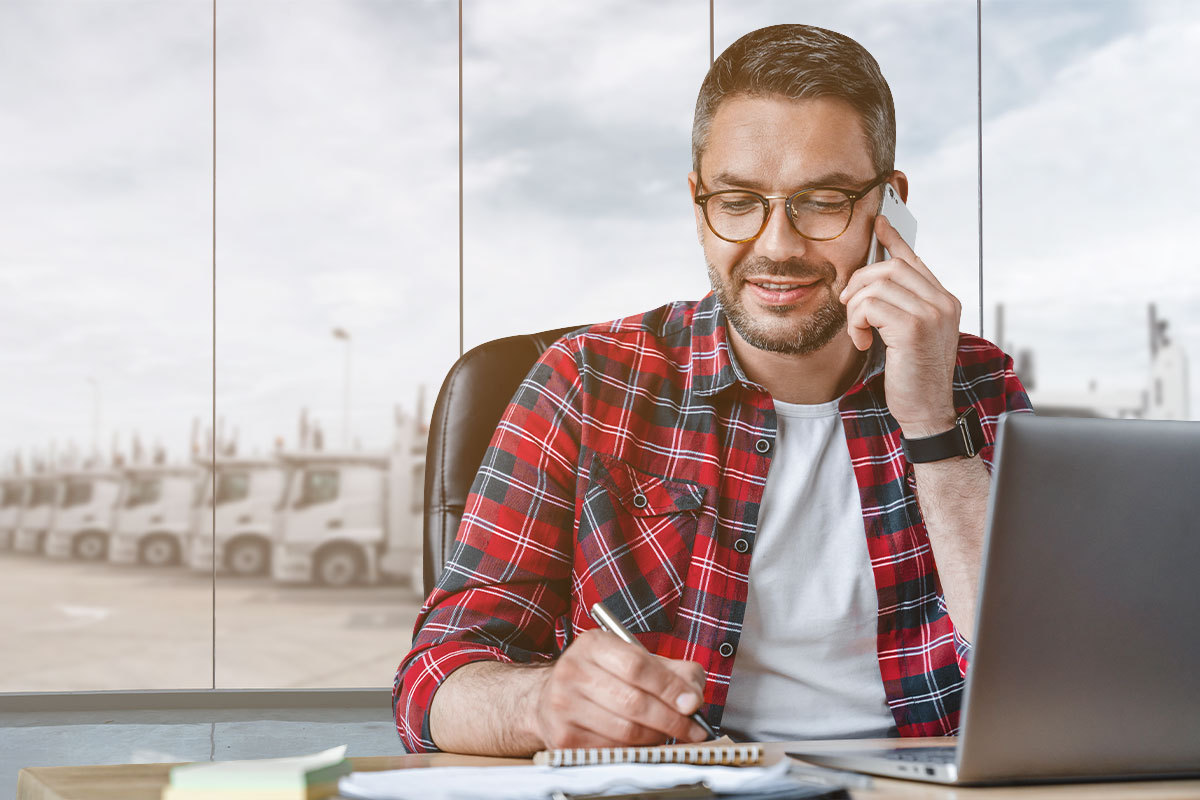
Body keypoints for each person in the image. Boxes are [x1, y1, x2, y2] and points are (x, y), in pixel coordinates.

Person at [394, 23, 1030, 756]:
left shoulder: (976, 383)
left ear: (888, 205)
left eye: (822, 200)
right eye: (738, 201)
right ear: (698, 203)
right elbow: (433, 678)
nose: (777, 245)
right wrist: (540, 705)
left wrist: (932, 426)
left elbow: (1051, 677)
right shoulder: (588, 381)